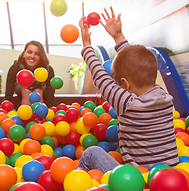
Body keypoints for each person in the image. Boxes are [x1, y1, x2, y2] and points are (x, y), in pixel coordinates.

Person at [77, 7, 179, 173]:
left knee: (91, 152)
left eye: (118, 84)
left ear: (124, 84)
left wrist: (87, 44)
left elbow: (99, 76)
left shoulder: (128, 103)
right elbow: (136, 63)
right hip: (170, 177)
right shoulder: (165, 97)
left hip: (138, 180)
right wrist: (118, 35)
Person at [4, 40, 57, 107]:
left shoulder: (48, 69)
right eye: (29, 52)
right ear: (24, 54)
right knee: (26, 91)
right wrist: (5, 108)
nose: (32, 56)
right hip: (22, 89)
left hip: (41, 89)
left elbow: (50, 95)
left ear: (41, 57)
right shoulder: (16, 67)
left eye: (37, 54)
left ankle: (40, 115)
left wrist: (53, 109)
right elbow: (9, 92)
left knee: (38, 91)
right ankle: (25, 115)